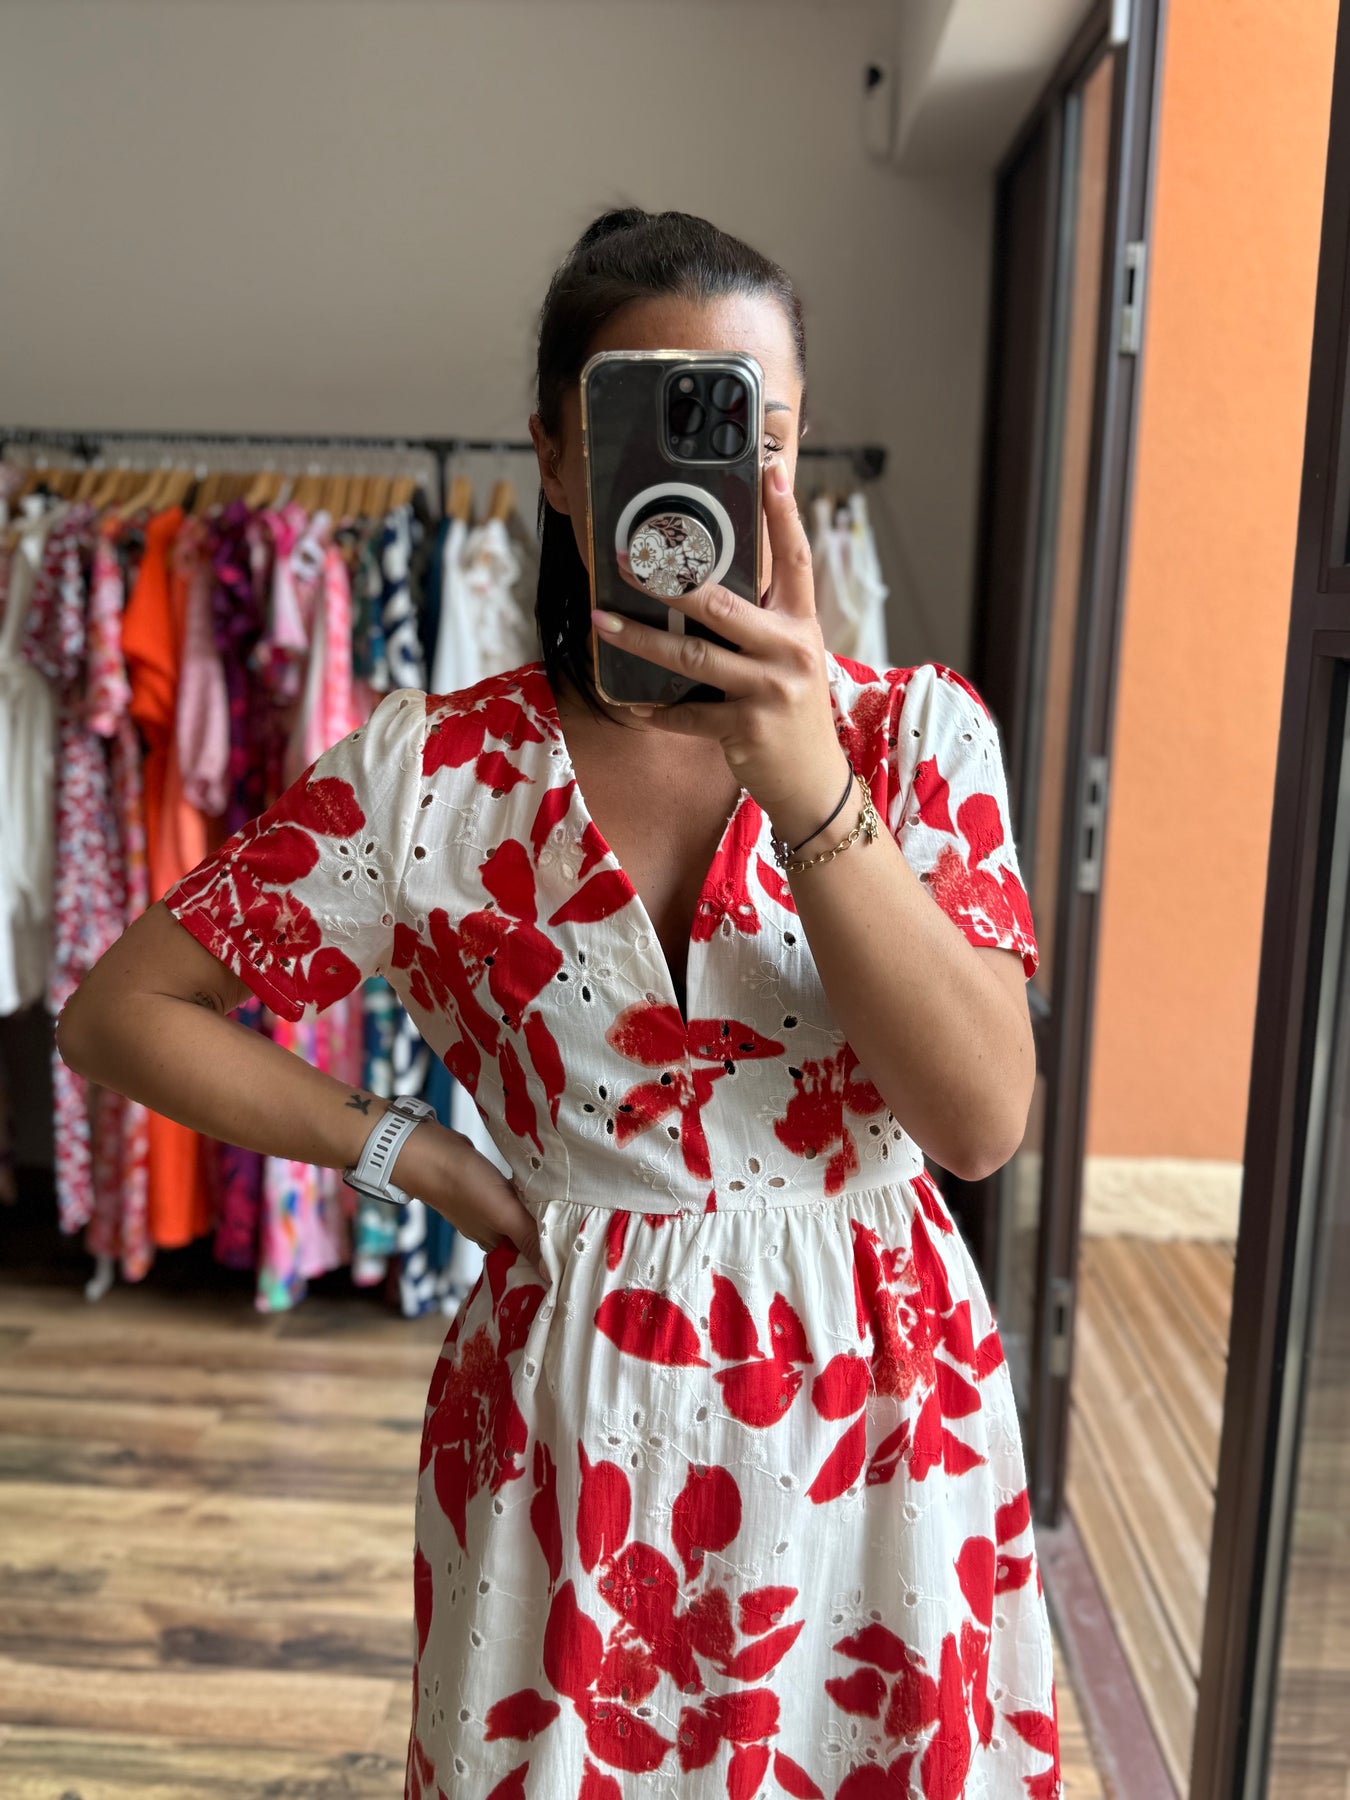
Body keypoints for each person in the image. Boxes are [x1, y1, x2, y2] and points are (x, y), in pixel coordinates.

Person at [58, 207, 1056, 1800]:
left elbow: (980, 1120)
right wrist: (409, 1153)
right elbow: (119, 1012)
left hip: (877, 1417)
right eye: (647, 425)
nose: (711, 481)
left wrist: (804, 779)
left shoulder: (916, 741)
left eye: (756, 434)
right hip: (569, 1432)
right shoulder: (432, 775)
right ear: (559, 458)